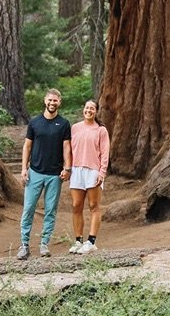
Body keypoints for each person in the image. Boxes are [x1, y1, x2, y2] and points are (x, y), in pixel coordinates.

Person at [17, 88, 72, 258]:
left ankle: (44, 244)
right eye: (50, 100)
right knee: (28, 208)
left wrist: (67, 168)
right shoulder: (34, 123)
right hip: (35, 172)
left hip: (55, 175)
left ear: (59, 102)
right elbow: (27, 146)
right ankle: (24, 245)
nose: (52, 103)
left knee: (50, 210)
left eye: (55, 100)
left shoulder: (63, 124)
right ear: (45, 101)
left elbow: (66, 147)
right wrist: (24, 168)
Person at [68, 97, 110, 253]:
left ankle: (91, 241)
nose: (89, 110)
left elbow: (105, 153)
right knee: (76, 206)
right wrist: (67, 168)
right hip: (76, 170)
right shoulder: (75, 128)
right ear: (83, 109)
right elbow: (69, 150)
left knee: (93, 206)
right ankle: (78, 241)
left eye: (92, 108)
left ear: (96, 111)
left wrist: (102, 172)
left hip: (93, 171)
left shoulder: (101, 130)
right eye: (87, 108)